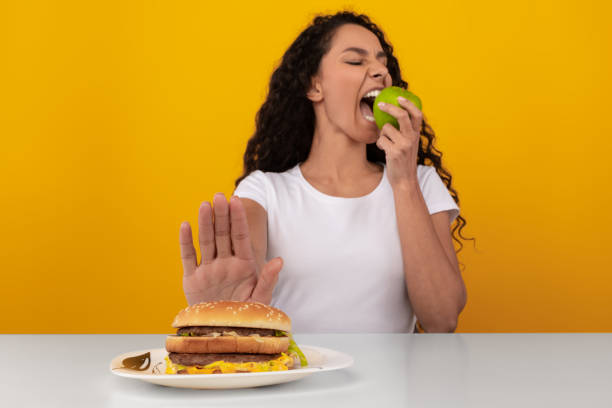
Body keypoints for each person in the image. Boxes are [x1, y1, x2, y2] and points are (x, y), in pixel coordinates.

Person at [178, 11, 472, 333]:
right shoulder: (264, 192)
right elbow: (241, 276)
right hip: (293, 381)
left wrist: (403, 183)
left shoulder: (420, 184)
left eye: (381, 63)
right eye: (356, 62)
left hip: (393, 384)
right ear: (313, 85)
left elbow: (442, 319)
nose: (379, 72)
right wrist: (224, 308)